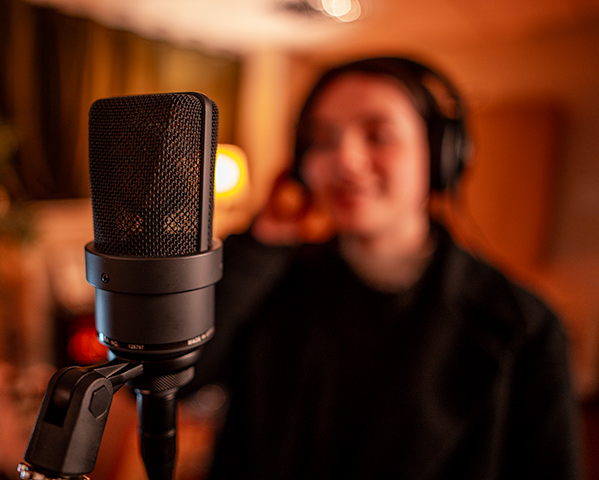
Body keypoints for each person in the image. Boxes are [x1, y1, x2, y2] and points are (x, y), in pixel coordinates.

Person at [187, 56, 584, 479]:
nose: (345, 160)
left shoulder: (525, 326)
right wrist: (263, 242)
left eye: (378, 135)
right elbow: (179, 381)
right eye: (322, 138)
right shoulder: (275, 279)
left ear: (441, 155)